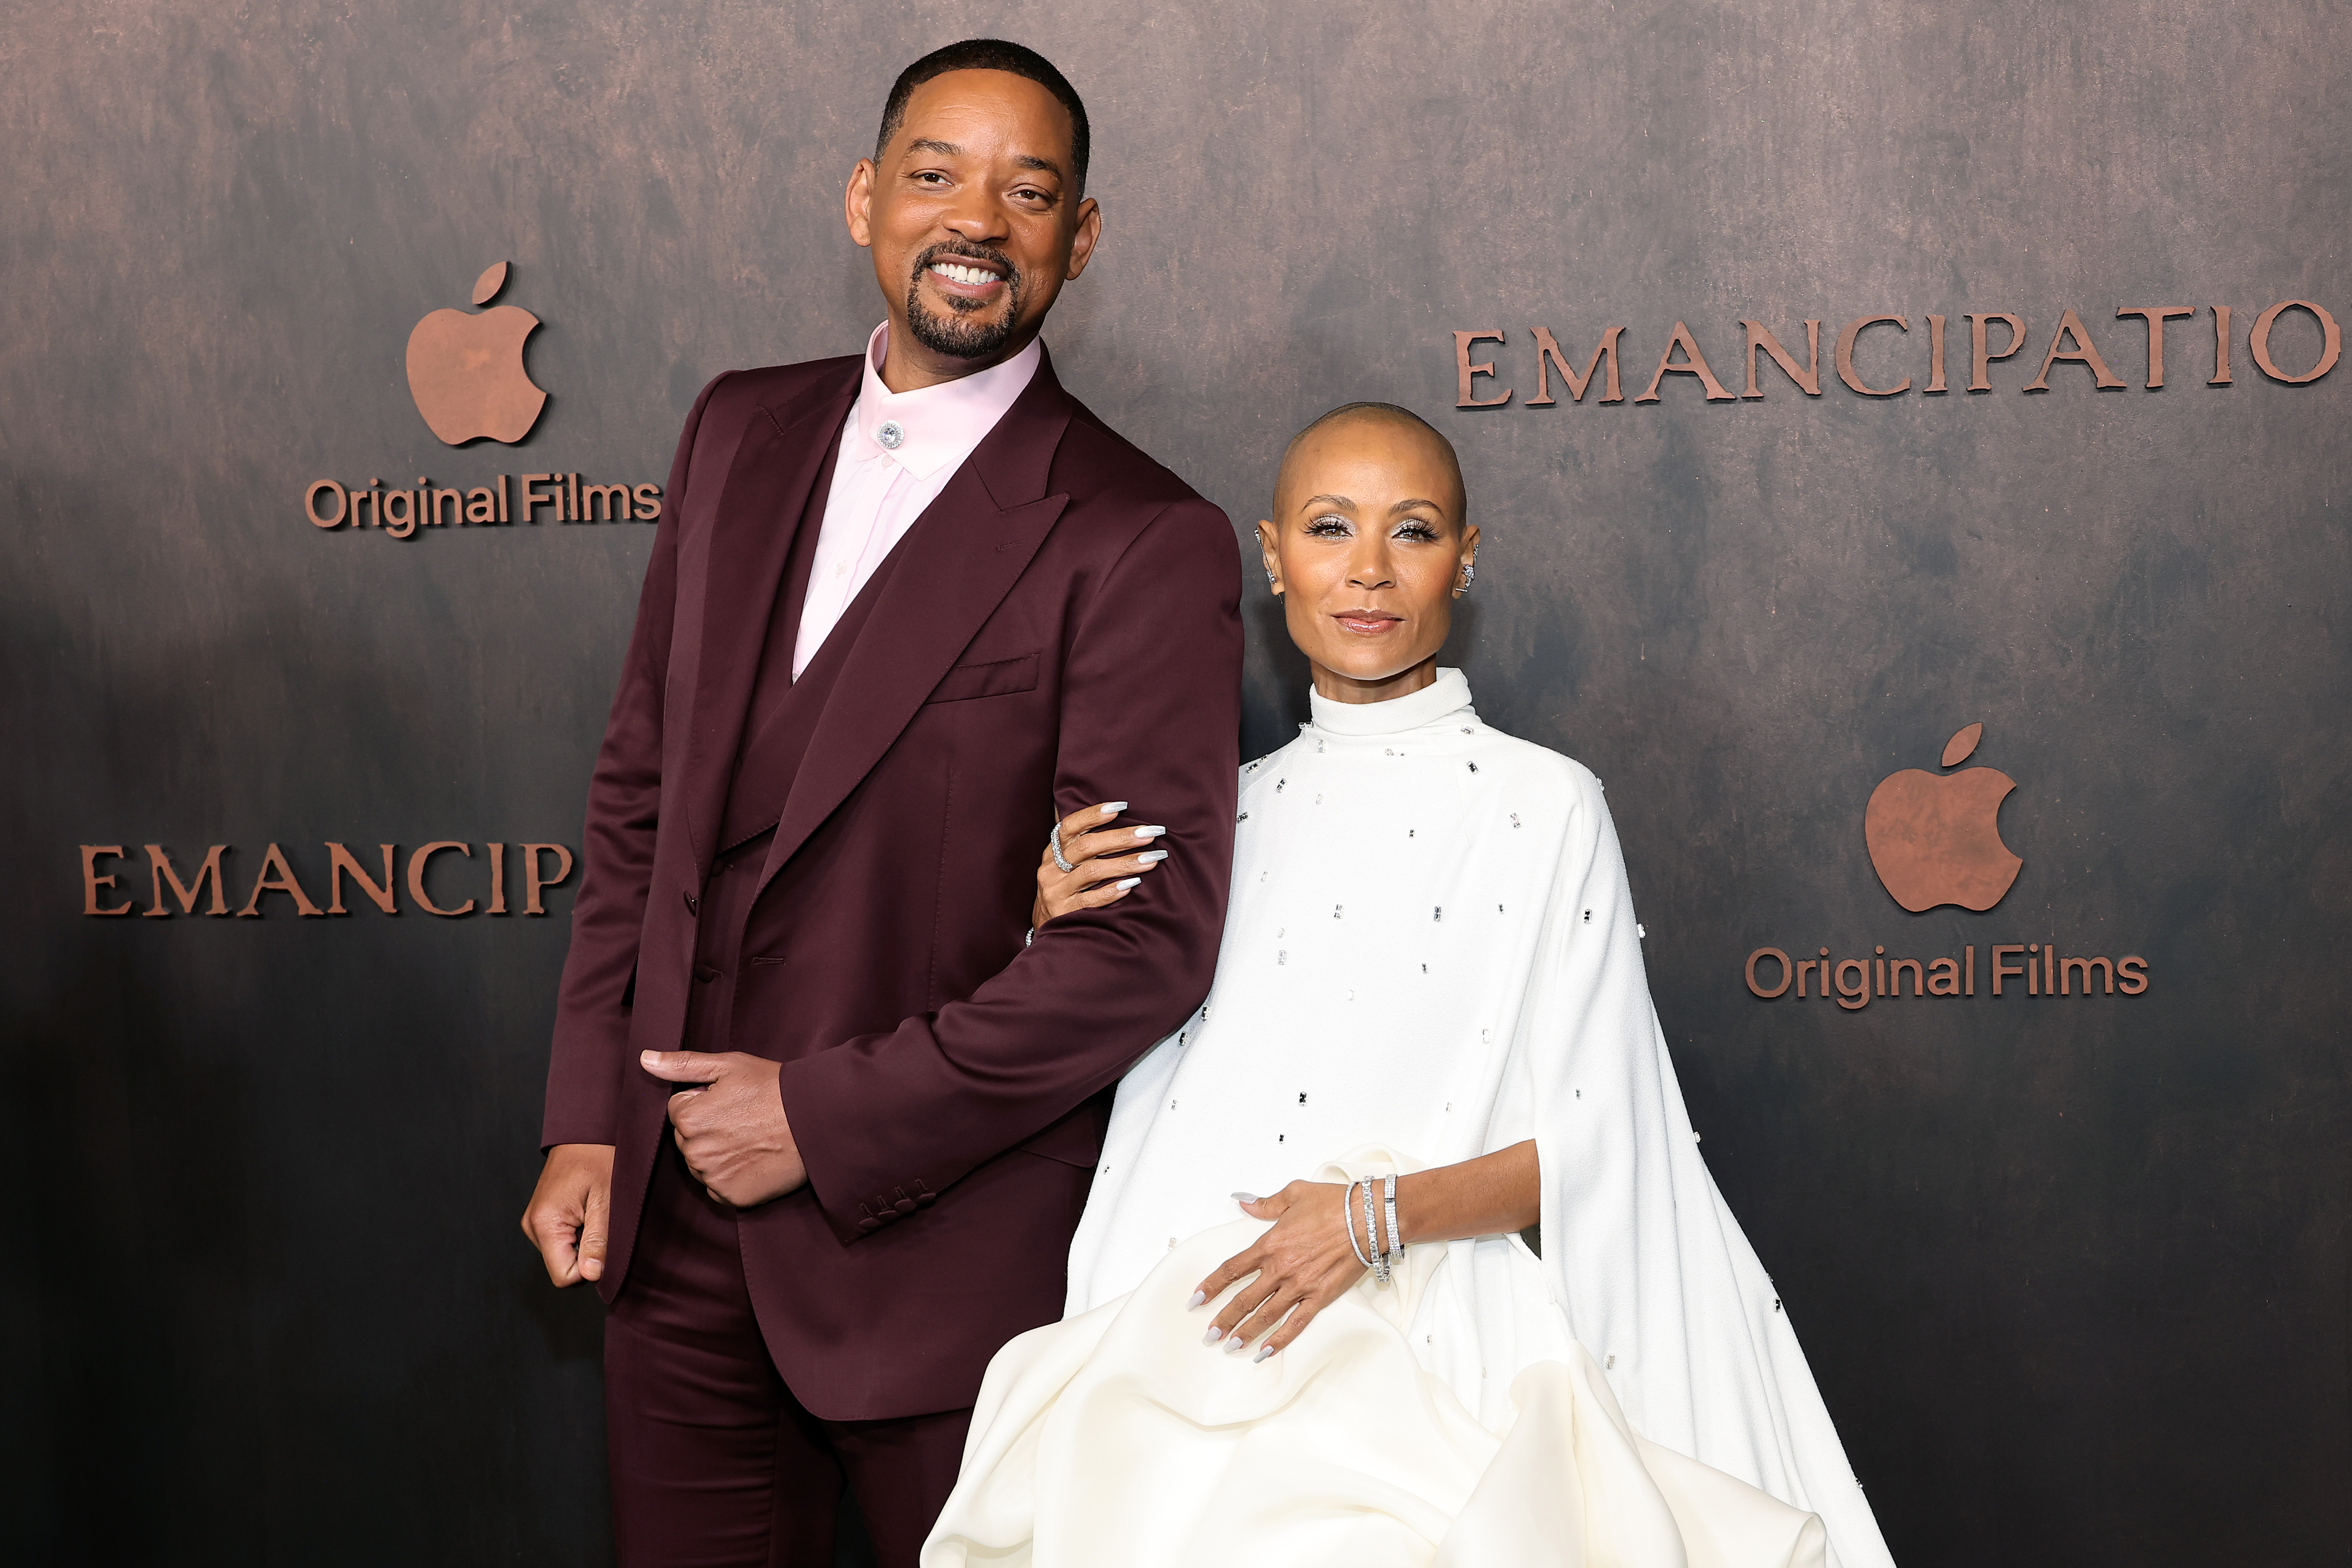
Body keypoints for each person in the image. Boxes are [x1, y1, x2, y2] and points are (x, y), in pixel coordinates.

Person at [921, 404, 1896, 1568]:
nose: (1369, 569)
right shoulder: (1209, 818)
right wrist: (1050, 928)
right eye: (1331, 527)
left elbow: (1599, 1150)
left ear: (1464, 558)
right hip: (1177, 1349)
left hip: (1437, 1367)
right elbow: (1098, 1086)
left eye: (1413, 530)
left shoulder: (1543, 808)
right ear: (1273, 553)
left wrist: (1367, 1218)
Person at [516, 40, 1244, 1568]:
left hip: (951, 1273)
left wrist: (819, 1117)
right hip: (670, 1244)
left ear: (1080, 237)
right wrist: (591, 1114)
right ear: (864, 198)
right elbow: (641, 804)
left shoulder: (1141, 535)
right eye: (935, 173)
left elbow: (1141, 951)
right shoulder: (736, 429)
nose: (975, 218)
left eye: (1028, 190)